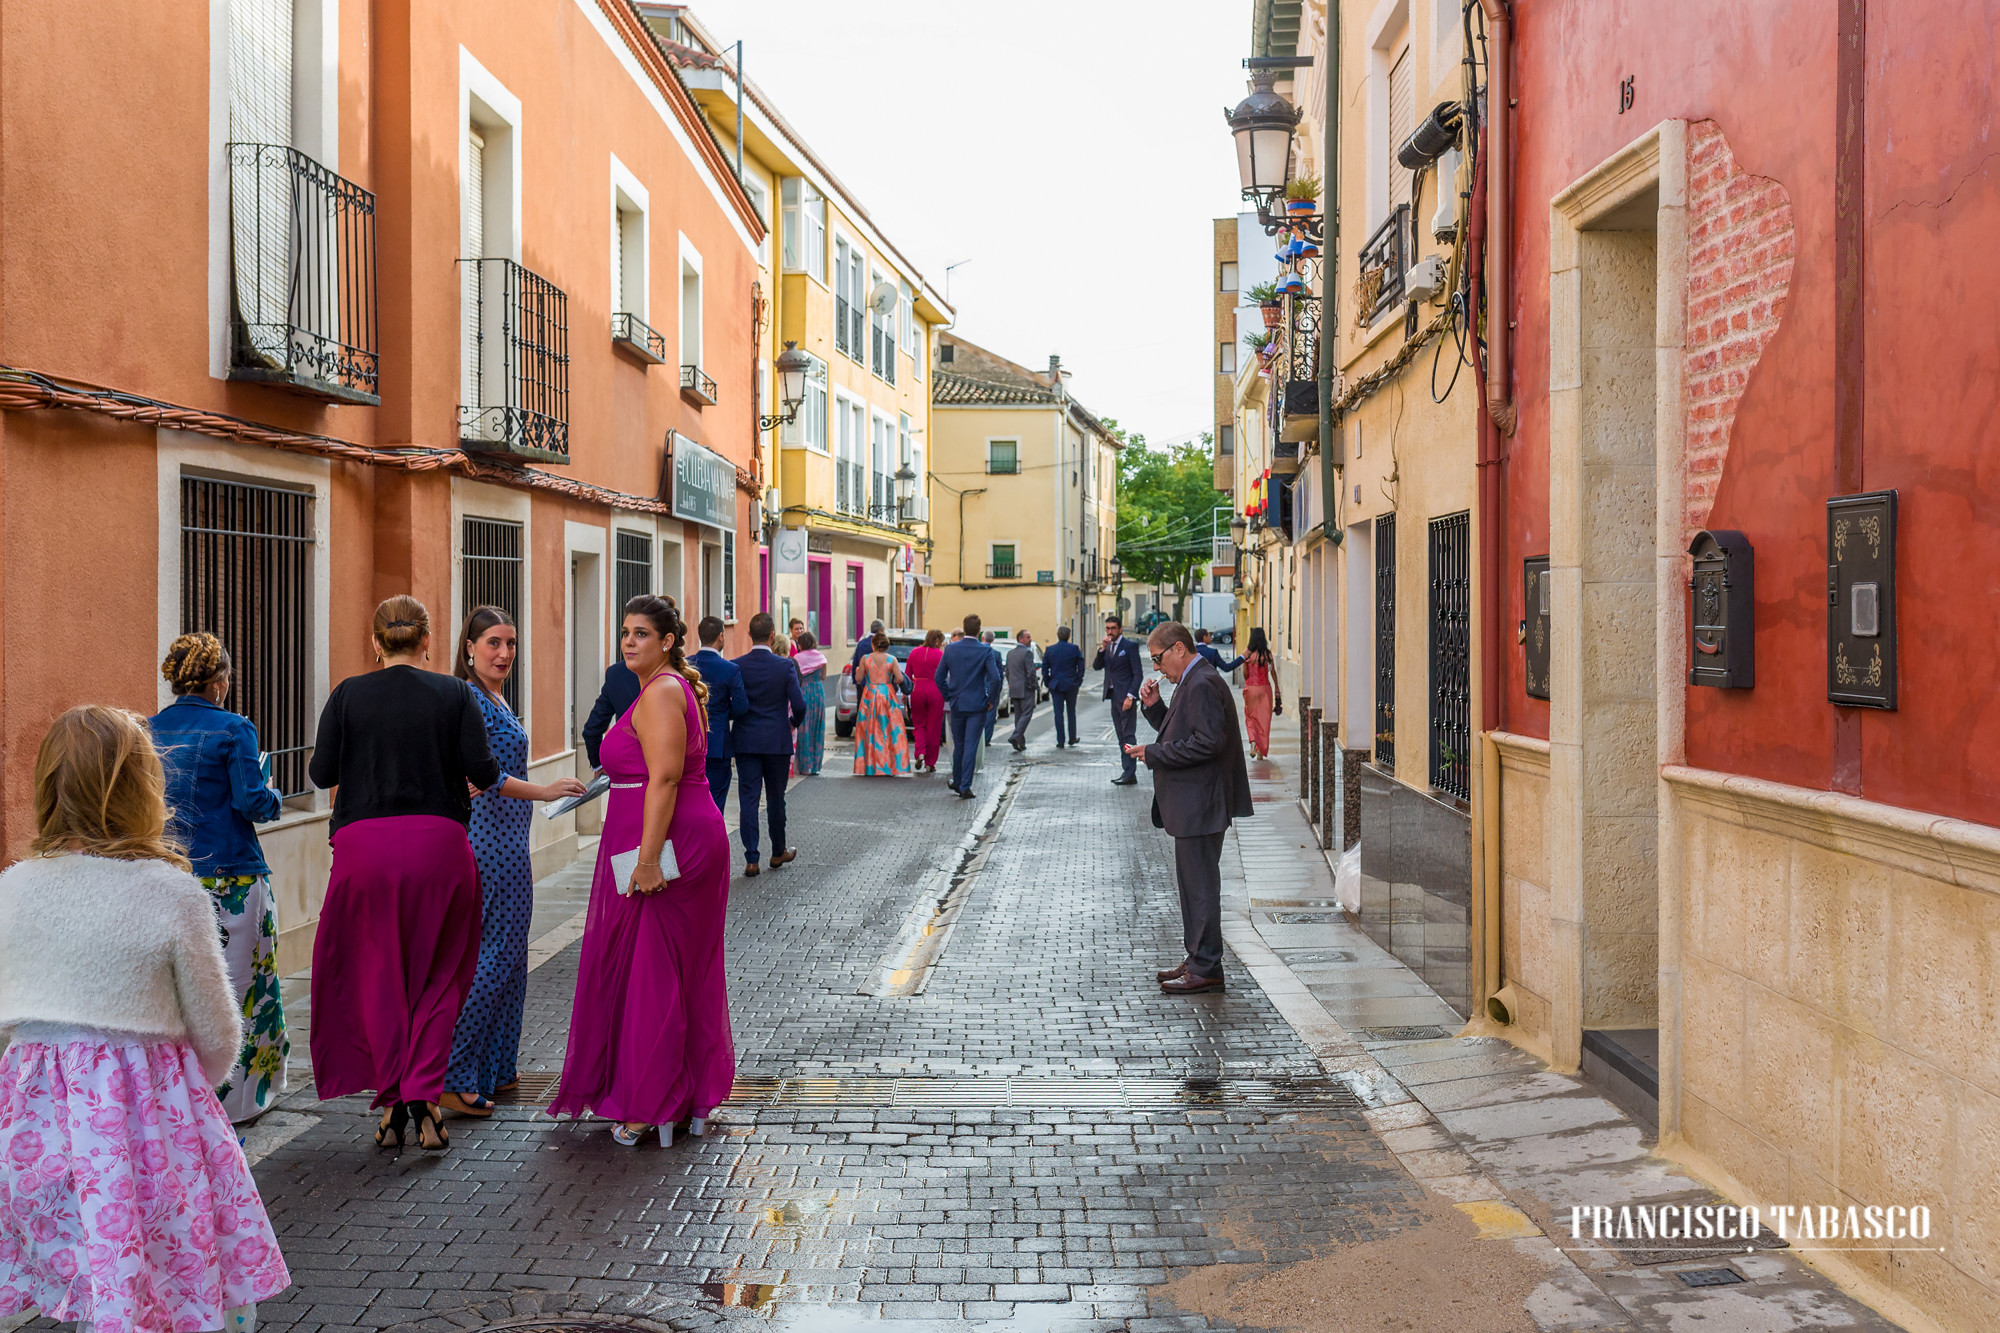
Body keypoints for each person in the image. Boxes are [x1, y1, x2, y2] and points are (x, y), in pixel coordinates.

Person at [0, 706, 293, 1333]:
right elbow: (217, 1031)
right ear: (145, 786)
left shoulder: (13, 888)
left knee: (76, 1263)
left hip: (36, 1120)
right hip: (148, 1119)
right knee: (153, 1272)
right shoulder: (172, 892)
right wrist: (191, 1085)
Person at [308, 595, 500, 1153]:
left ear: (375, 642)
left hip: (363, 849)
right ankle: (424, 1099)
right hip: (438, 847)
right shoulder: (455, 694)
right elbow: (484, 770)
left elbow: (321, 774)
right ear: (427, 641)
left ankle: (394, 1100)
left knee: (379, 973)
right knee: (440, 974)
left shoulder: (347, 694)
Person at [550, 595, 734, 1147]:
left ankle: (651, 1104)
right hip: (663, 838)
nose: (629, 642)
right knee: (668, 972)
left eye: (641, 634)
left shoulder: (660, 692)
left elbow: (666, 779)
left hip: (669, 844)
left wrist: (649, 860)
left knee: (652, 974)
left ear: (667, 641)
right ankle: (683, 1100)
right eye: (626, 632)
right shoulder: (662, 688)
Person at [439, 608, 588, 1121]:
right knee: (493, 957)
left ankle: (497, 1067)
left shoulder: (495, 697)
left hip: (510, 840)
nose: (504, 653)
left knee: (511, 958)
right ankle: (455, 1075)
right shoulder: (468, 698)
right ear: (469, 647)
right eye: (493, 643)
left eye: (511, 643)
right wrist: (545, 790)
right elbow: (483, 774)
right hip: (488, 843)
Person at [148, 632, 288, 1123]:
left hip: (167, 876)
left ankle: (180, 1101)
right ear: (220, 682)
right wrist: (273, 793)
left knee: (177, 993)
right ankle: (237, 1102)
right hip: (232, 879)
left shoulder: (146, 730)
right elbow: (252, 802)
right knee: (243, 987)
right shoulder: (235, 729)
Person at [1126, 622, 1253, 995]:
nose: (1157, 668)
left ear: (1179, 648)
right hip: (1196, 804)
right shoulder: (1194, 680)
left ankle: (1206, 966)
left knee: (1200, 889)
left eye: (1158, 658)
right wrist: (1155, 709)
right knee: (1194, 886)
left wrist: (1153, 753)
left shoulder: (1201, 683)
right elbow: (1183, 732)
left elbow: (1206, 743)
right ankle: (1198, 958)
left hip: (1201, 803)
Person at [731, 612, 807, 876]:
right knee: (776, 798)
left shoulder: (737, 666)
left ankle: (751, 859)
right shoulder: (785, 666)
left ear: (749, 635)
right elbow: (800, 705)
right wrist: (792, 723)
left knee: (749, 799)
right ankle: (777, 852)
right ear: (773, 636)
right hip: (777, 741)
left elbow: (734, 704)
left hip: (746, 741)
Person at [936, 614, 1003, 799]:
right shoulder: (985, 650)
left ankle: (958, 781)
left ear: (964, 629)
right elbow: (996, 678)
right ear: (979, 631)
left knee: (959, 745)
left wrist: (948, 695)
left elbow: (939, 676)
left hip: (957, 703)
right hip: (977, 703)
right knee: (971, 744)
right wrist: (991, 699)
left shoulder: (951, 649)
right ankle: (965, 785)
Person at [689, 615, 751, 807]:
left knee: (690, 799)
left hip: (688, 742)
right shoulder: (730, 669)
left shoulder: (686, 666)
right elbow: (741, 706)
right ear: (720, 637)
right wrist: (724, 712)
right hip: (717, 743)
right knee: (715, 800)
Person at [852, 632, 914, 776]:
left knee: (869, 730)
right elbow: (899, 678)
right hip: (887, 694)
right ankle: (889, 764)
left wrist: (857, 672)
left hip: (870, 694)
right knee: (889, 729)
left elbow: (859, 678)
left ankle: (870, 765)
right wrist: (891, 680)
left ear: (873, 644)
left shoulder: (865, 658)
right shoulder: (892, 659)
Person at [1095, 615, 1145, 786]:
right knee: (1120, 736)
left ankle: (1130, 772)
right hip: (1113, 697)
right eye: (1107, 628)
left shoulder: (1129, 647)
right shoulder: (1108, 648)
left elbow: (1137, 674)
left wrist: (1131, 696)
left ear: (1120, 629)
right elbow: (1096, 666)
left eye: (1113, 628)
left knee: (1128, 735)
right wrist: (1102, 649)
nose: (1110, 632)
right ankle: (1126, 770)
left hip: (1125, 698)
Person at [582, 659, 643, 770]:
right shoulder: (675, 671)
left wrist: (599, 766)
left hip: (629, 767)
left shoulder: (617, 673)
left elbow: (592, 729)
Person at [907, 628, 946, 772]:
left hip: (917, 689)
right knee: (933, 727)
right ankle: (930, 762)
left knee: (919, 725)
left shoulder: (914, 652)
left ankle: (920, 752)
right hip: (935, 690)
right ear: (938, 641)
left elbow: (907, 675)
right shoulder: (940, 655)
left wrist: (906, 693)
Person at [1240, 626, 1282, 760]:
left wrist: (1249, 682)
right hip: (1265, 689)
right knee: (1264, 719)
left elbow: (1245, 674)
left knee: (1250, 717)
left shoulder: (1247, 653)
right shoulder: (1267, 654)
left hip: (1251, 688)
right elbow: (1273, 672)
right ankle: (1261, 751)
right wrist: (1276, 687)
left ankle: (1253, 741)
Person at [1041, 625, 1086, 748]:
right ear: (1069, 636)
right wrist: (1079, 680)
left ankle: (1060, 740)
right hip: (1071, 683)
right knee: (1071, 712)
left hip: (1055, 684)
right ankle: (1072, 737)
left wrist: (1048, 682)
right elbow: (1081, 666)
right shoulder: (1074, 649)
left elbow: (1045, 668)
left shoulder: (1050, 650)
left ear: (1057, 635)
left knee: (1058, 713)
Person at [791, 630, 829, 775]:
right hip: (818, 692)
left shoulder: (797, 658)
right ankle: (815, 766)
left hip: (803, 692)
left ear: (801, 644)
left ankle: (804, 765)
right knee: (817, 728)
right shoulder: (821, 657)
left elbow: (795, 677)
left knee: (803, 728)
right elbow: (823, 676)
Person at [1005, 630, 1038, 751]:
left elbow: (1007, 671)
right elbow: (1031, 672)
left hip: (1014, 688)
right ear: (1020, 639)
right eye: (1027, 637)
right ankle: (1016, 736)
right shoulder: (1027, 653)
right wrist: (1033, 685)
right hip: (1025, 688)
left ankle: (1020, 742)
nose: (1030, 639)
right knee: (1027, 714)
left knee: (1018, 716)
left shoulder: (1010, 653)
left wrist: (1011, 683)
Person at [979, 630, 1001, 746]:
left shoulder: (976, 652)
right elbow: (998, 675)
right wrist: (997, 690)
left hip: (977, 687)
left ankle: (978, 737)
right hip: (991, 686)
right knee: (990, 713)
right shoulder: (996, 654)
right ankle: (986, 738)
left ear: (982, 638)